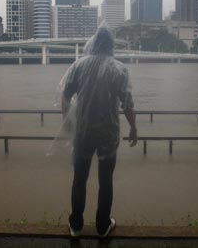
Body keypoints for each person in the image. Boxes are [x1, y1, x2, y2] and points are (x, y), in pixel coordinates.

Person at [60, 27, 137, 238]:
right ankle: (103, 226)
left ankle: (76, 225)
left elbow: (65, 96)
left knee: (79, 179)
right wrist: (133, 128)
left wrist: (67, 122)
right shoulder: (119, 69)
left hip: (83, 132)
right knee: (106, 181)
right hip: (108, 133)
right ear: (111, 46)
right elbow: (127, 104)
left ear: (93, 44)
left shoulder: (78, 65)